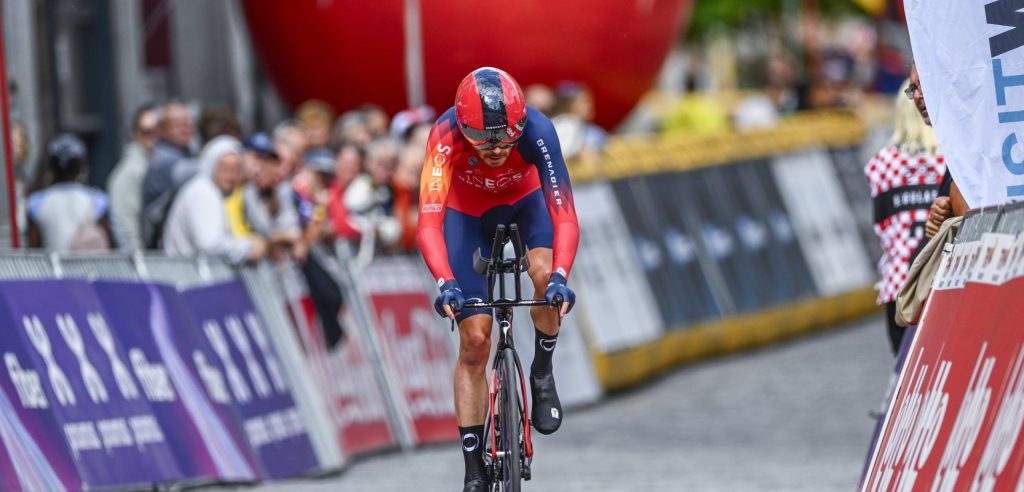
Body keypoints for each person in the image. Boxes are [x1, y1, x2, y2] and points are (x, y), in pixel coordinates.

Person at [417, 67, 579, 492]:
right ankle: (473, 471)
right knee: (474, 340)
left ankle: (541, 372)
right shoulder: (444, 135)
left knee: (544, 275)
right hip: (465, 217)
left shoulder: (539, 130)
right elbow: (429, 224)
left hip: (526, 204)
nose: (495, 150)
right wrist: (445, 283)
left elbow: (563, 214)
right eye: (483, 141)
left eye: (507, 140)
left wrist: (561, 275)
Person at [864, 77, 946, 355]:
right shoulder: (949, 157)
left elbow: (882, 228)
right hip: (941, 278)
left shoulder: (882, 163)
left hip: (900, 283)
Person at [162, 135, 266, 264]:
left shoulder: (210, 191)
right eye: (225, 169)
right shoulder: (204, 192)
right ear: (211, 166)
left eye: (236, 169)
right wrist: (248, 247)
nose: (231, 176)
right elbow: (210, 245)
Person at [27, 134, 111, 251]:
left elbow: (34, 247)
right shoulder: (98, 200)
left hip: (50, 268)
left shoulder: (36, 202)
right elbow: (107, 243)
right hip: (90, 268)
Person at [107, 103, 158, 251]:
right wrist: (139, 264)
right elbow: (124, 223)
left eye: (158, 131)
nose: (154, 137)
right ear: (136, 134)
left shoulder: (156, 163)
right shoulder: (130, 171)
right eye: (147, 132)